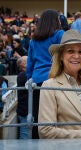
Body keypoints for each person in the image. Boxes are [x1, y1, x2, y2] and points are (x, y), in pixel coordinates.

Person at [26, 9, 64, 139]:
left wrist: (30, 81)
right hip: (55, 80)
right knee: (59, 117)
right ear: (55, 20)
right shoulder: (60, 34)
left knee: (38, 117)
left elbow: (29, 65)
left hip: (36, 82)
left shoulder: (33, 40)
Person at [16, 56, 28, 139]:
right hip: (25, 111)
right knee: (25, 136)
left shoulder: (23, 75)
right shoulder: (23, 75)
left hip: (24, 110)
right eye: (28, 60)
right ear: (23, 64)